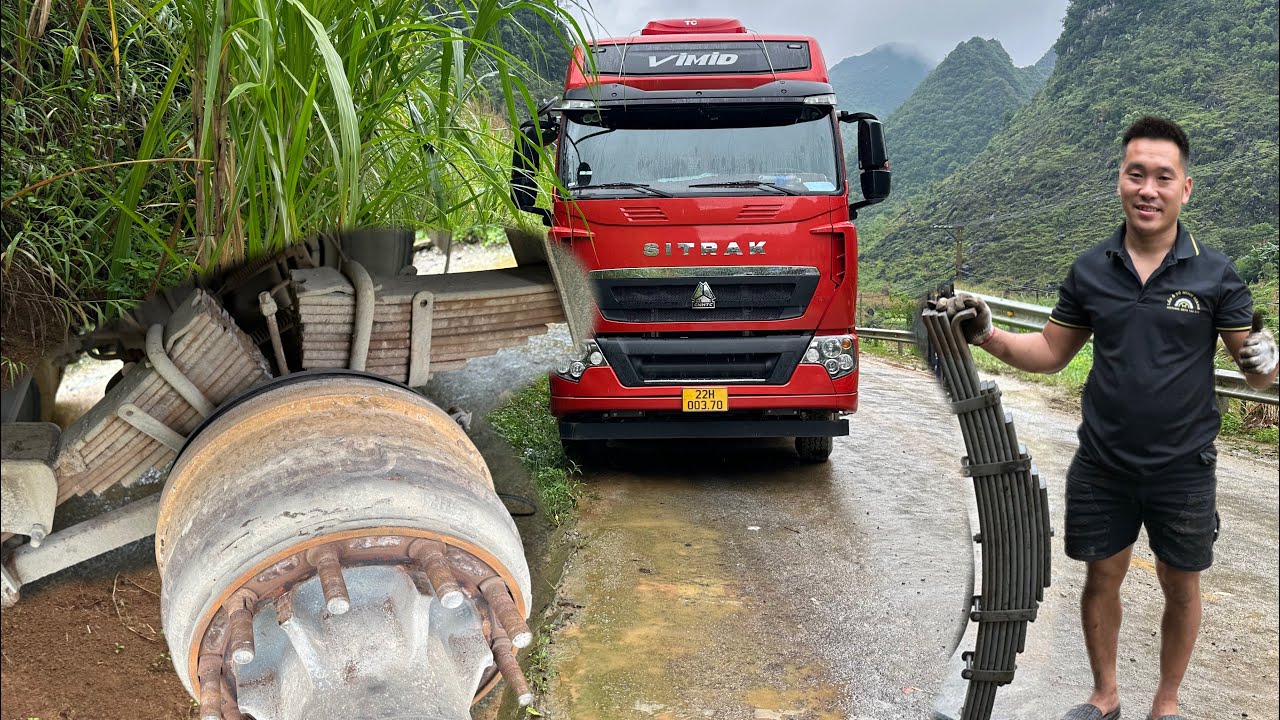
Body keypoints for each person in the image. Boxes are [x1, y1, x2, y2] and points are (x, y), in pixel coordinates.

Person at [942, 115, 1279, 720]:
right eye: (1136, 174)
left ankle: (1167, 703)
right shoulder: (1091, 269)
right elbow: (1050, 352)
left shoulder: (1215, 273)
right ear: (1121, 180)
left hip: (1184, 465)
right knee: (1103, 577)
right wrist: (988, 333)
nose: (1148, 189)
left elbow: (1252, 368)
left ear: (1185, 188)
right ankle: (1105, 697)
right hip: (1103, 461)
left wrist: (1268, 362)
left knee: (1182, 583)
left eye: (1162, 177)